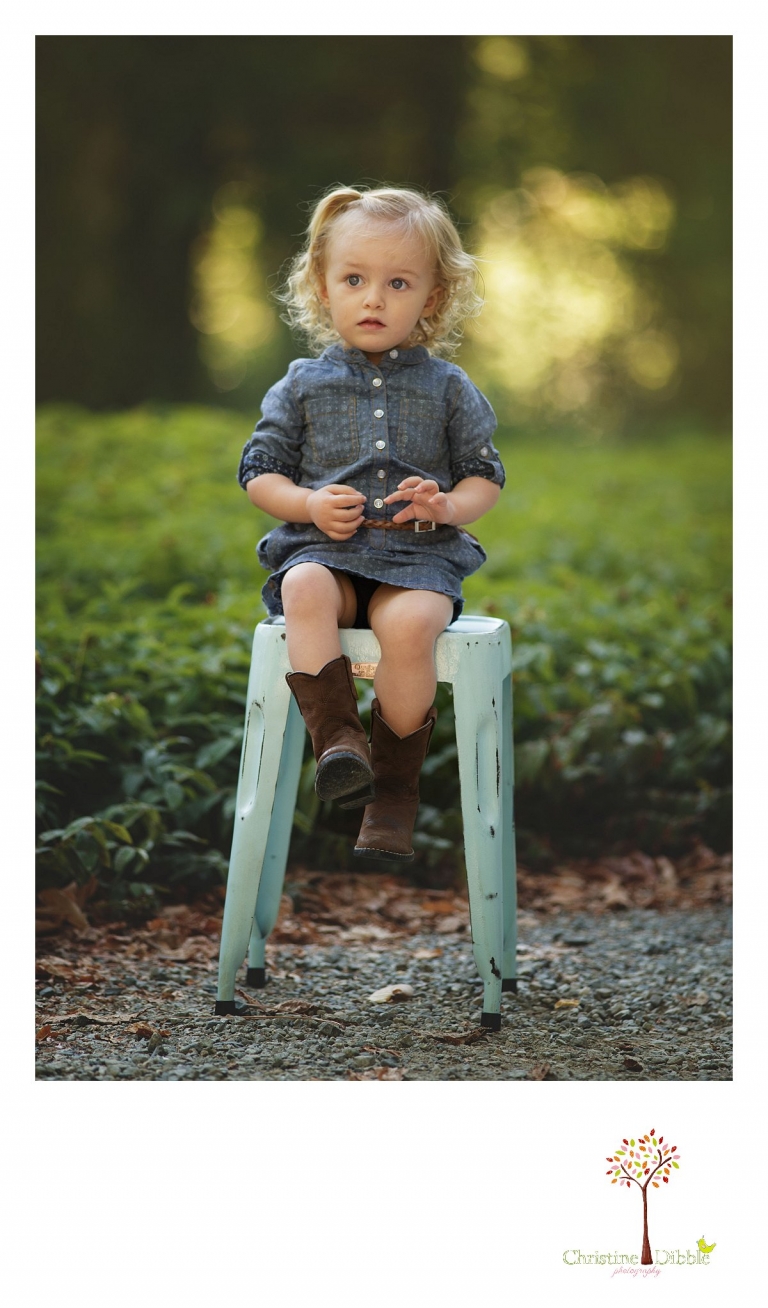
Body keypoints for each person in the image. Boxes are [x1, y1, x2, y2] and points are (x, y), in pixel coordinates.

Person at [237, 185, 505, 861]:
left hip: (417, 559)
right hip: (326, 554)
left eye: (398, 283)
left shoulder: (450, 387)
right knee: (302, 588)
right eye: (354, 280)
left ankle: (392, 792)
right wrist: (307, 504)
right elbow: (260, 472)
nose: (374, 299)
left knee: (412, 626)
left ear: (433, 297)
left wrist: (447, 505)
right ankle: (338, 744)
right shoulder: (301, 384)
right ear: (322, 288)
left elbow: (484, 476)